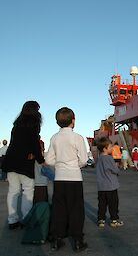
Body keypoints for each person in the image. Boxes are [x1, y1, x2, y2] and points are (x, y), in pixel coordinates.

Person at [45, 107, 88, 252]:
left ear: (57, 122)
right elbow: (83, 160)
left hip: (59, 178)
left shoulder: (54, 138)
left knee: (59, 209)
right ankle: (77, 240)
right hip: (74, 177)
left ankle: (57, 239)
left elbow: (49, 160)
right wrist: (74, 165)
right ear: (73, 121)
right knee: (76, 209)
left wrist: (60, 164)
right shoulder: (78, 138)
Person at [1, 101, 45, 230]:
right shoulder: (34, 123)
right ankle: (26, 219)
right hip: (25, 161)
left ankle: (12, 221)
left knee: (13, 191)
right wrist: (40, 159)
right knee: (28, 190)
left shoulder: (17, 123)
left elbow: (15, 143)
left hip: (11, 160)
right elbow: (34, 142)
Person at [95, 137, 124, 228]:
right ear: (105, 148)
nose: (112, 148)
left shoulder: (99, 159)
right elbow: (114, 170)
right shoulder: (109, 158)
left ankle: (101, 220)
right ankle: (114, 220)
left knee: (102, 204)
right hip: (111, 186)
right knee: (113, 204)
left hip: (101, 187)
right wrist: (117, 169)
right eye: (110, 147)